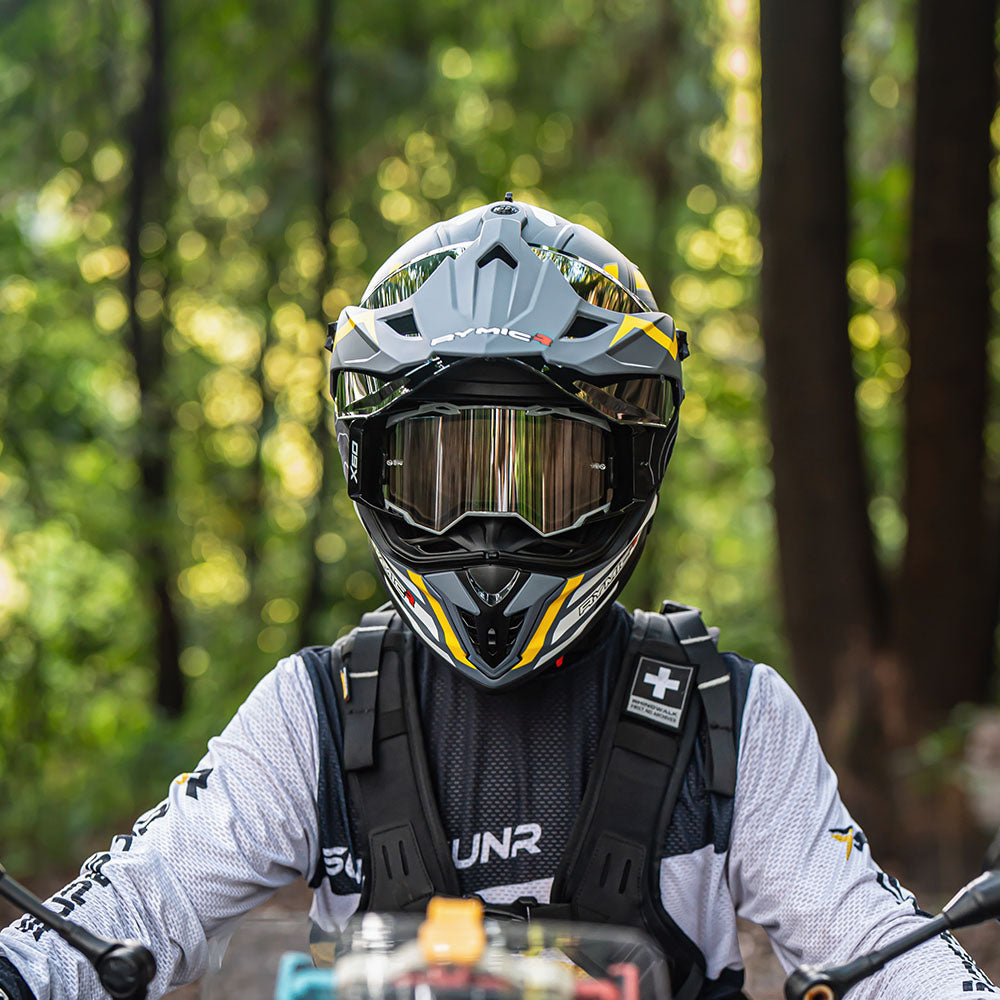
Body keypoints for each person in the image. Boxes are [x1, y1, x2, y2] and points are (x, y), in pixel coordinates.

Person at [0, 198, 994, 1000]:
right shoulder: (316, 715)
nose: (490, 528)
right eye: (445, 474)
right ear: (374, 468)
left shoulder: (728, 719)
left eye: (548, 475)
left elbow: (873, 941)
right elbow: (132, 909)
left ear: (629, 471)